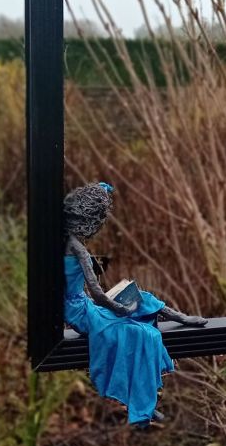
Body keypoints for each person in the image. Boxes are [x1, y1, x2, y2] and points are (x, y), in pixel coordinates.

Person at [63, 182, 207, 426]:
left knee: (141, 297)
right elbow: (97, 294)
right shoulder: (78, 249)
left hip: (79, 306)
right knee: (142, 334)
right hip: (83, 312)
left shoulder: (65, 241)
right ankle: (142, 404)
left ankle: (181, 318)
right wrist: (120, 309)